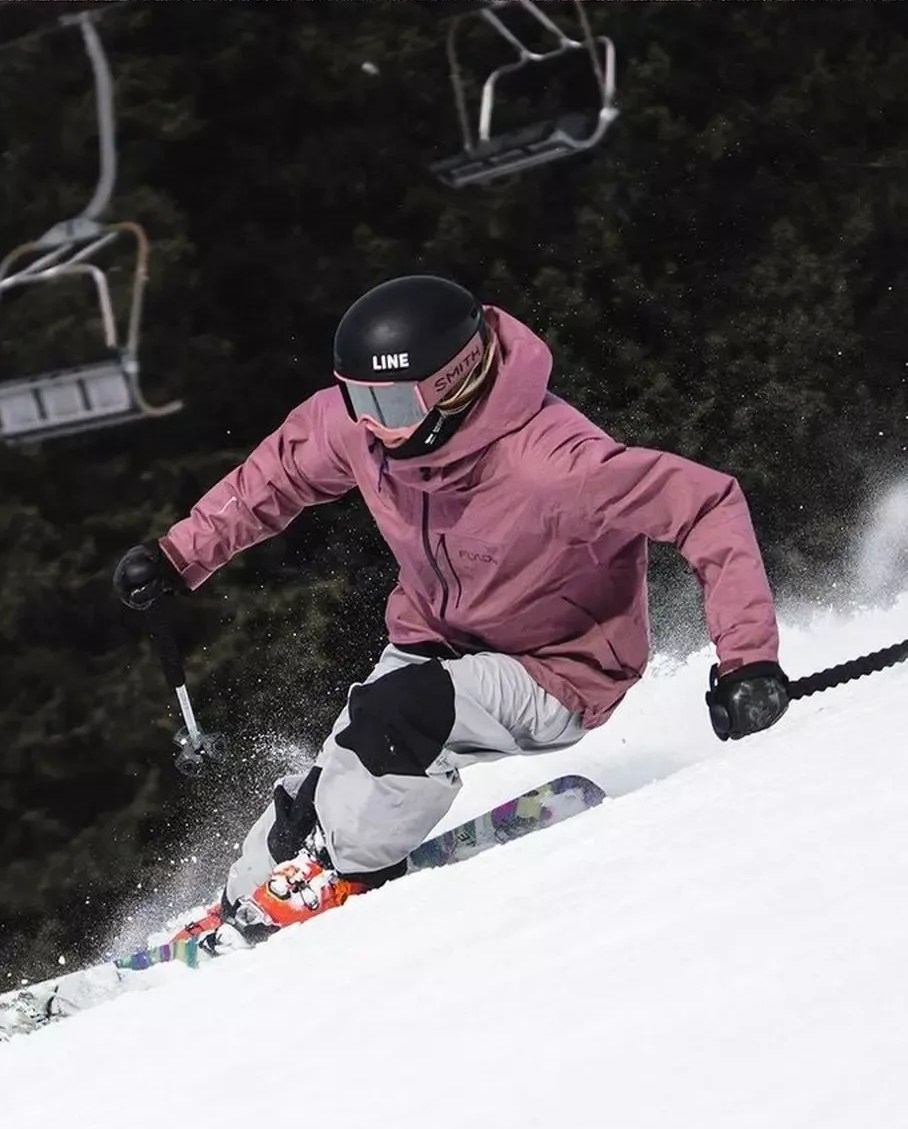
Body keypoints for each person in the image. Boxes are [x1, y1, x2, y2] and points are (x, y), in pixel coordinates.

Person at [113, 274, 789, 947]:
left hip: (558, 666)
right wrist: (179, 554)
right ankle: (249, 890)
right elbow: (279, 473)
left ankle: (337, 870)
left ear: (454, 383)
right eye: (358, 398)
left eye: (394, 404)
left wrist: (749, 659)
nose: (373, 423)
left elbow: (705, 504)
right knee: (341, 768)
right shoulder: (366, 431)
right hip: (435, 640)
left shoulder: (555, 464)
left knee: (402, 715)